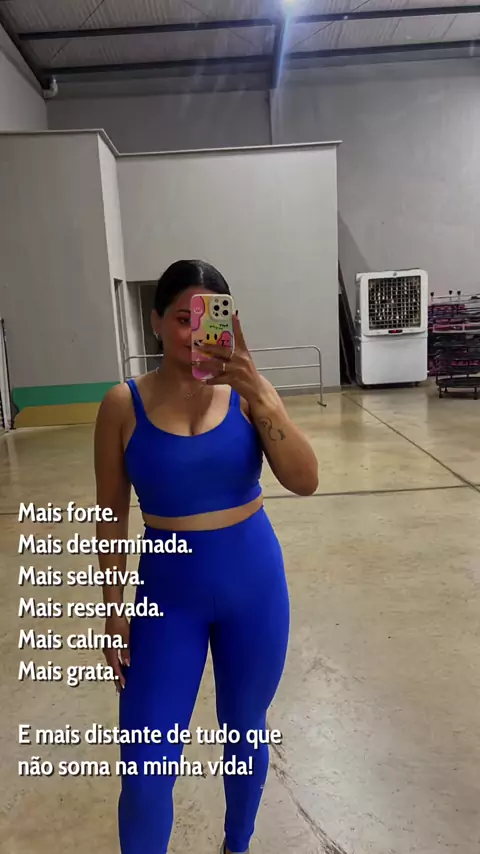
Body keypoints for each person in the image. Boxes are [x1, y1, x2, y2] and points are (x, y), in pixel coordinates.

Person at [94, 260, 319, 854]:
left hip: (254, 586)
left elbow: (305, 480)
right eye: (180, 317)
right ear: (154, 321)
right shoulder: (123, 405)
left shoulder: (247, 396)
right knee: (145, 764)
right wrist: (112, 610)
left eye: (208, 317)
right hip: (167, 597)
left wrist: (261, 393)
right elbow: (111, 516)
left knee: (245, 732)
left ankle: (236, 845)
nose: (195, 332)